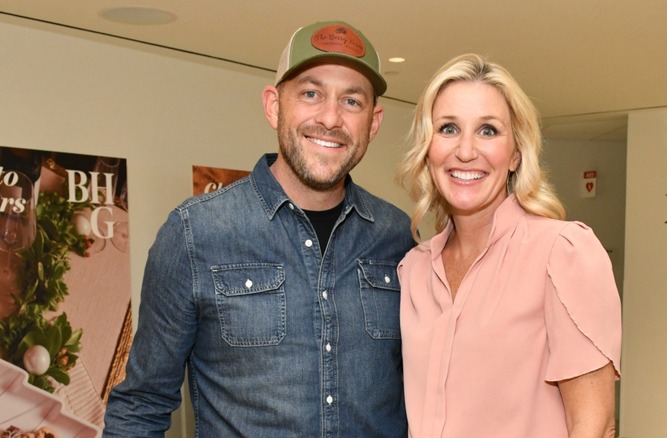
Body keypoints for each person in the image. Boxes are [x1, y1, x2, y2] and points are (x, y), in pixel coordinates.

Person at [104, 20, 415, 437]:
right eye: (310, 93)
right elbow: (142, 405)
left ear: (373, 123)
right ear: (273, 105)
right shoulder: (196, 233)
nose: (330, 117)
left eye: (352, 101)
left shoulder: (401, 238)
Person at [397, 53, 622, 438]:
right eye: (448, 128)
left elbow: (595, 426)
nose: (465, 150)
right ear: (427, 148)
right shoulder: (414, 269)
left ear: (516, 153)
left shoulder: (562, 253)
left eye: (488, 131)